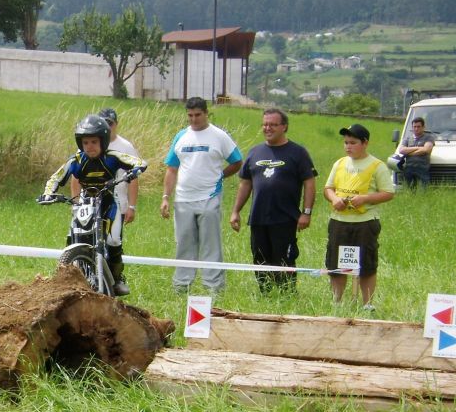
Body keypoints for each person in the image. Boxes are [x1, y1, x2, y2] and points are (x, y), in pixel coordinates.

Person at [40, 114, 147, 296]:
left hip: (108, 203)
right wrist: (48, 194)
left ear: (103, 142)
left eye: (94, 142)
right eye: (86, 142)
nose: (90, 147)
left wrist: (135, 171)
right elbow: (56, 177)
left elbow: (139, 162)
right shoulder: (76, 161)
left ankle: (117, 278)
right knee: (72, 234)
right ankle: (69, 273)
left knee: (113, 240)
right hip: (84, 202)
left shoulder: (112, 157)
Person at [160, 96, 243, 295]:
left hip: (209, 196)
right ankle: (181, 286)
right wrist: (165, 197)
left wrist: (221, 175)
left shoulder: (219, 136)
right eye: (190, 115)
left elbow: (237, 161)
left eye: (198, 115)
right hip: (183, 198)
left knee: (210, 244)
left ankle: (214, 288)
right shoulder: (181, 136)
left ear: (206, 113)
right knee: (184, 244)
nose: (194, 119)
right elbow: (172, 169)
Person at [229, 108, 317, 293]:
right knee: (259, 259)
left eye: (273, 125)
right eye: (265, 124)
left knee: (284, 260)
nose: (268, 128)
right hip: (259, 218)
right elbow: (245, 183)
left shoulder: (298, 153)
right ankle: (266, 293)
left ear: (284, 127)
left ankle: (286, 294)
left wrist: (306, 212)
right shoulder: (255, 152)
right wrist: (236, 211)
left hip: (285, 218)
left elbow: (309, 183)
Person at [324, 124, 394, 311]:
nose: (348, 146)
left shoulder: (377, 166)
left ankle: (367, 304)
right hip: (339, 221)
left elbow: (388, 193)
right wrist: (334, 199)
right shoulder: (339, 164)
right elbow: (328, 189)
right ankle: (337, 303)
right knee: (336, 264)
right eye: (346, 143)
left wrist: (366, 198)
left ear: (365, 143)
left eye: (353, 143)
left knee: (367, 264)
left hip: (365, 223)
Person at [398, 116, 435, 189]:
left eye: (418, 126)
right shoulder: (408, 138)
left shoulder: (429, 137)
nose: (416, 129)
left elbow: (426, 150)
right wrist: (418, 147)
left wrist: (408, 152)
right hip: (409, 168)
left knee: (424, 192)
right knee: (408, 191)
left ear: (423, 127)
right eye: (414, 127)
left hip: (422, 168)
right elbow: (401, 150)